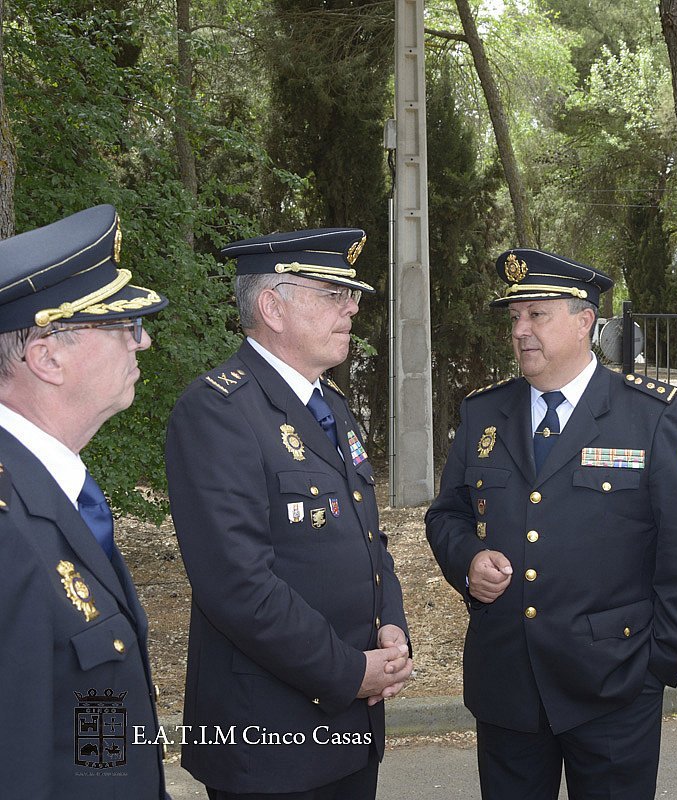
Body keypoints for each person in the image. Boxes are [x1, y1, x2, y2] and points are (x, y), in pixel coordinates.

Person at [425, 248, 677, 800]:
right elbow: (448, 514)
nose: (520, 330)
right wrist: (467, 560)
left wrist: (656, 664)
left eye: (537, 314)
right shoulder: (484, 413)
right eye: (516, 317)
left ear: (585, 320)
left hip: (613, 684)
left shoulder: (648, 415)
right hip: (507, 682)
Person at [165, 228, 411, 799]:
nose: (352, 307)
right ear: (273, 308)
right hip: (269, 737)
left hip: (350, 727)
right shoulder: (218, 411)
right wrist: (349, 672)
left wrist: (392, 627)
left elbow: (367, 538)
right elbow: (238, 584)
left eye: (349, 295)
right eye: (333, 294)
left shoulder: (331, 406)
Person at [0, 204, 169, 796]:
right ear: (47, 357)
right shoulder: (8, 531)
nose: (143, 341)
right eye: (124, 325)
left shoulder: (52, 491)